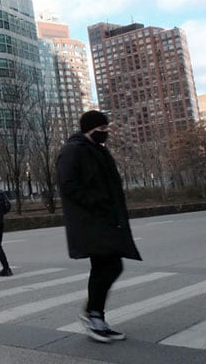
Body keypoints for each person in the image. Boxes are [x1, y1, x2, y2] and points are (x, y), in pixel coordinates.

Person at [57, 110, 141, 343]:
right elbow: (68, 185)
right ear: (89, 129)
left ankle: (95, 315)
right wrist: (96, 202)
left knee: (109, 266)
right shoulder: (72, 151)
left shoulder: (98, 151)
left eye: (107, 129)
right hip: (90, 221)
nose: (106, 133)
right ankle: (93, 315)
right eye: (101, 130)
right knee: (109, 266)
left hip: (105, 219)